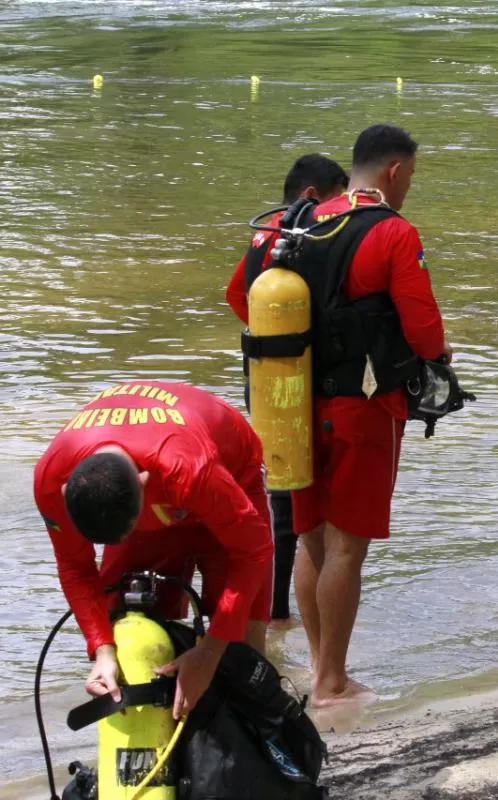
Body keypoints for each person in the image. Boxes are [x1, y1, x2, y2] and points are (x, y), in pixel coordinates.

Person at [291, 124, 449, 706]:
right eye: (411, 177)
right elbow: (423, 328)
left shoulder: (298, 222)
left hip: (292, 406)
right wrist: (438, 356)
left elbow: (241, 295)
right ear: (394, 171)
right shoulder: (392, 231)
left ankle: (317, 665)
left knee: (310, 536)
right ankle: (332, 681)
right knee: (346, 547)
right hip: (364, 407)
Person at [34, 381, 274, 720]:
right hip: (156, 488)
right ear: (64, 494)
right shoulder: (50, 480)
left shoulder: (189, 469)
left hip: (227, 473)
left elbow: (254, 551)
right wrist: (102, 649)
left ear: (143, 484)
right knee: (127, 623)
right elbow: (75, 568)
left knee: (241, 650)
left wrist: (209, 653)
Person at [225, 153, 348, 621]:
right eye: (335, 201)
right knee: (292, 503)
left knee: (275, 489)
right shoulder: (306, 235)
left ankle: (273, 609)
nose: (338, 211)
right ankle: (278, 611)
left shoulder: (263, 233)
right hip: (297, 381)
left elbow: (235, 294)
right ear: (312, 195)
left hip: (263, 375)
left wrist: (268, 340)